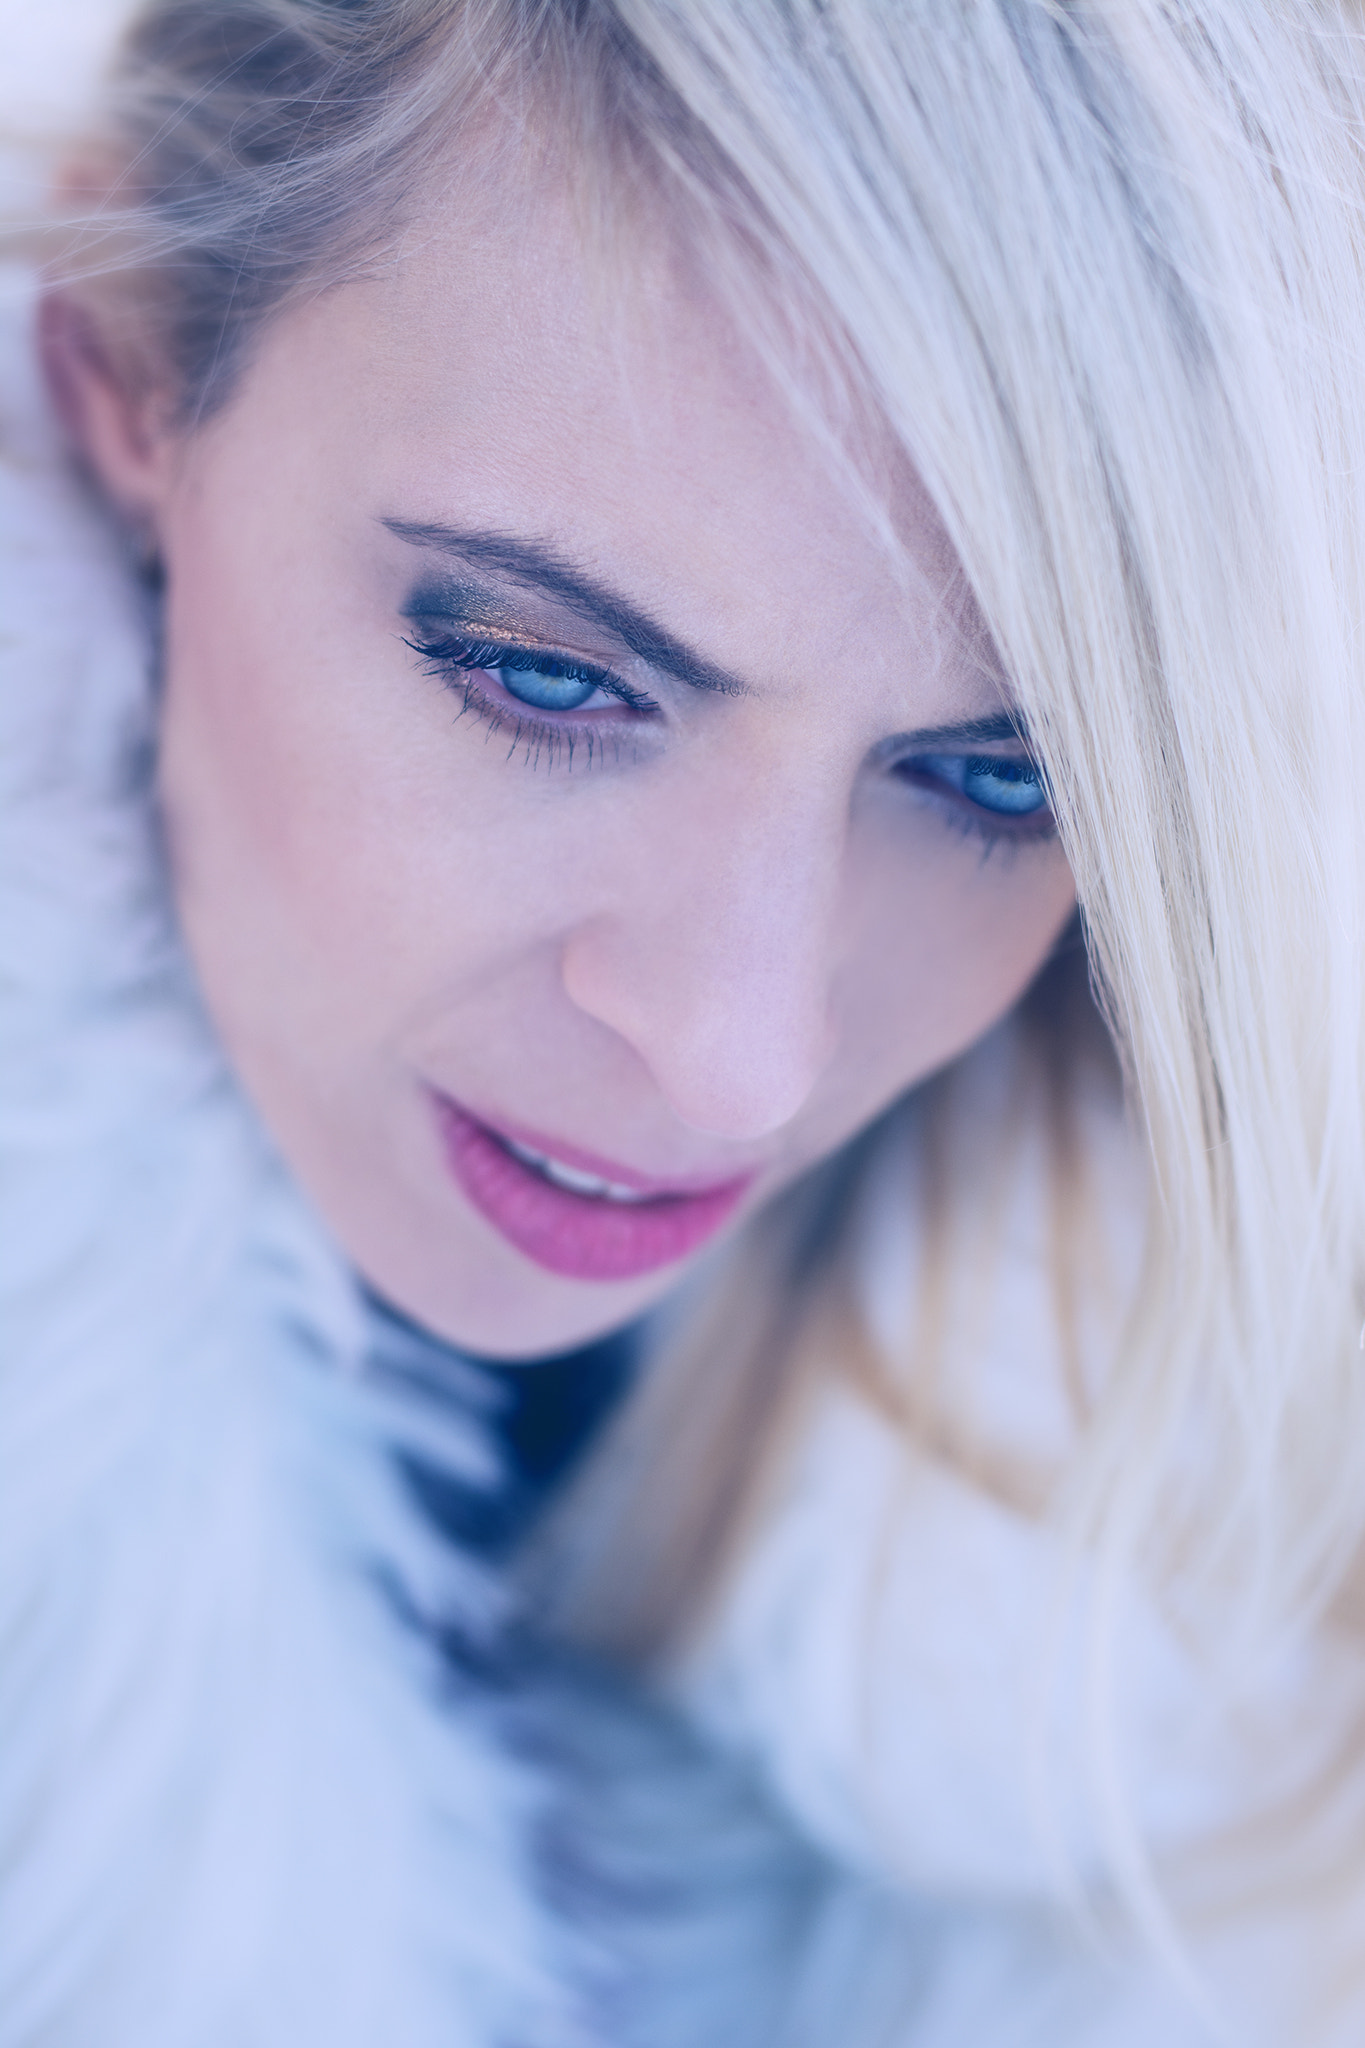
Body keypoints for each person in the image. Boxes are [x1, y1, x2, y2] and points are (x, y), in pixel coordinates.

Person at [3, 1, 1363, 2042]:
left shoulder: (1213, 1686)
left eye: (1001, 780)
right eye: (543, 675)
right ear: (124, 377)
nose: (742, 1056)